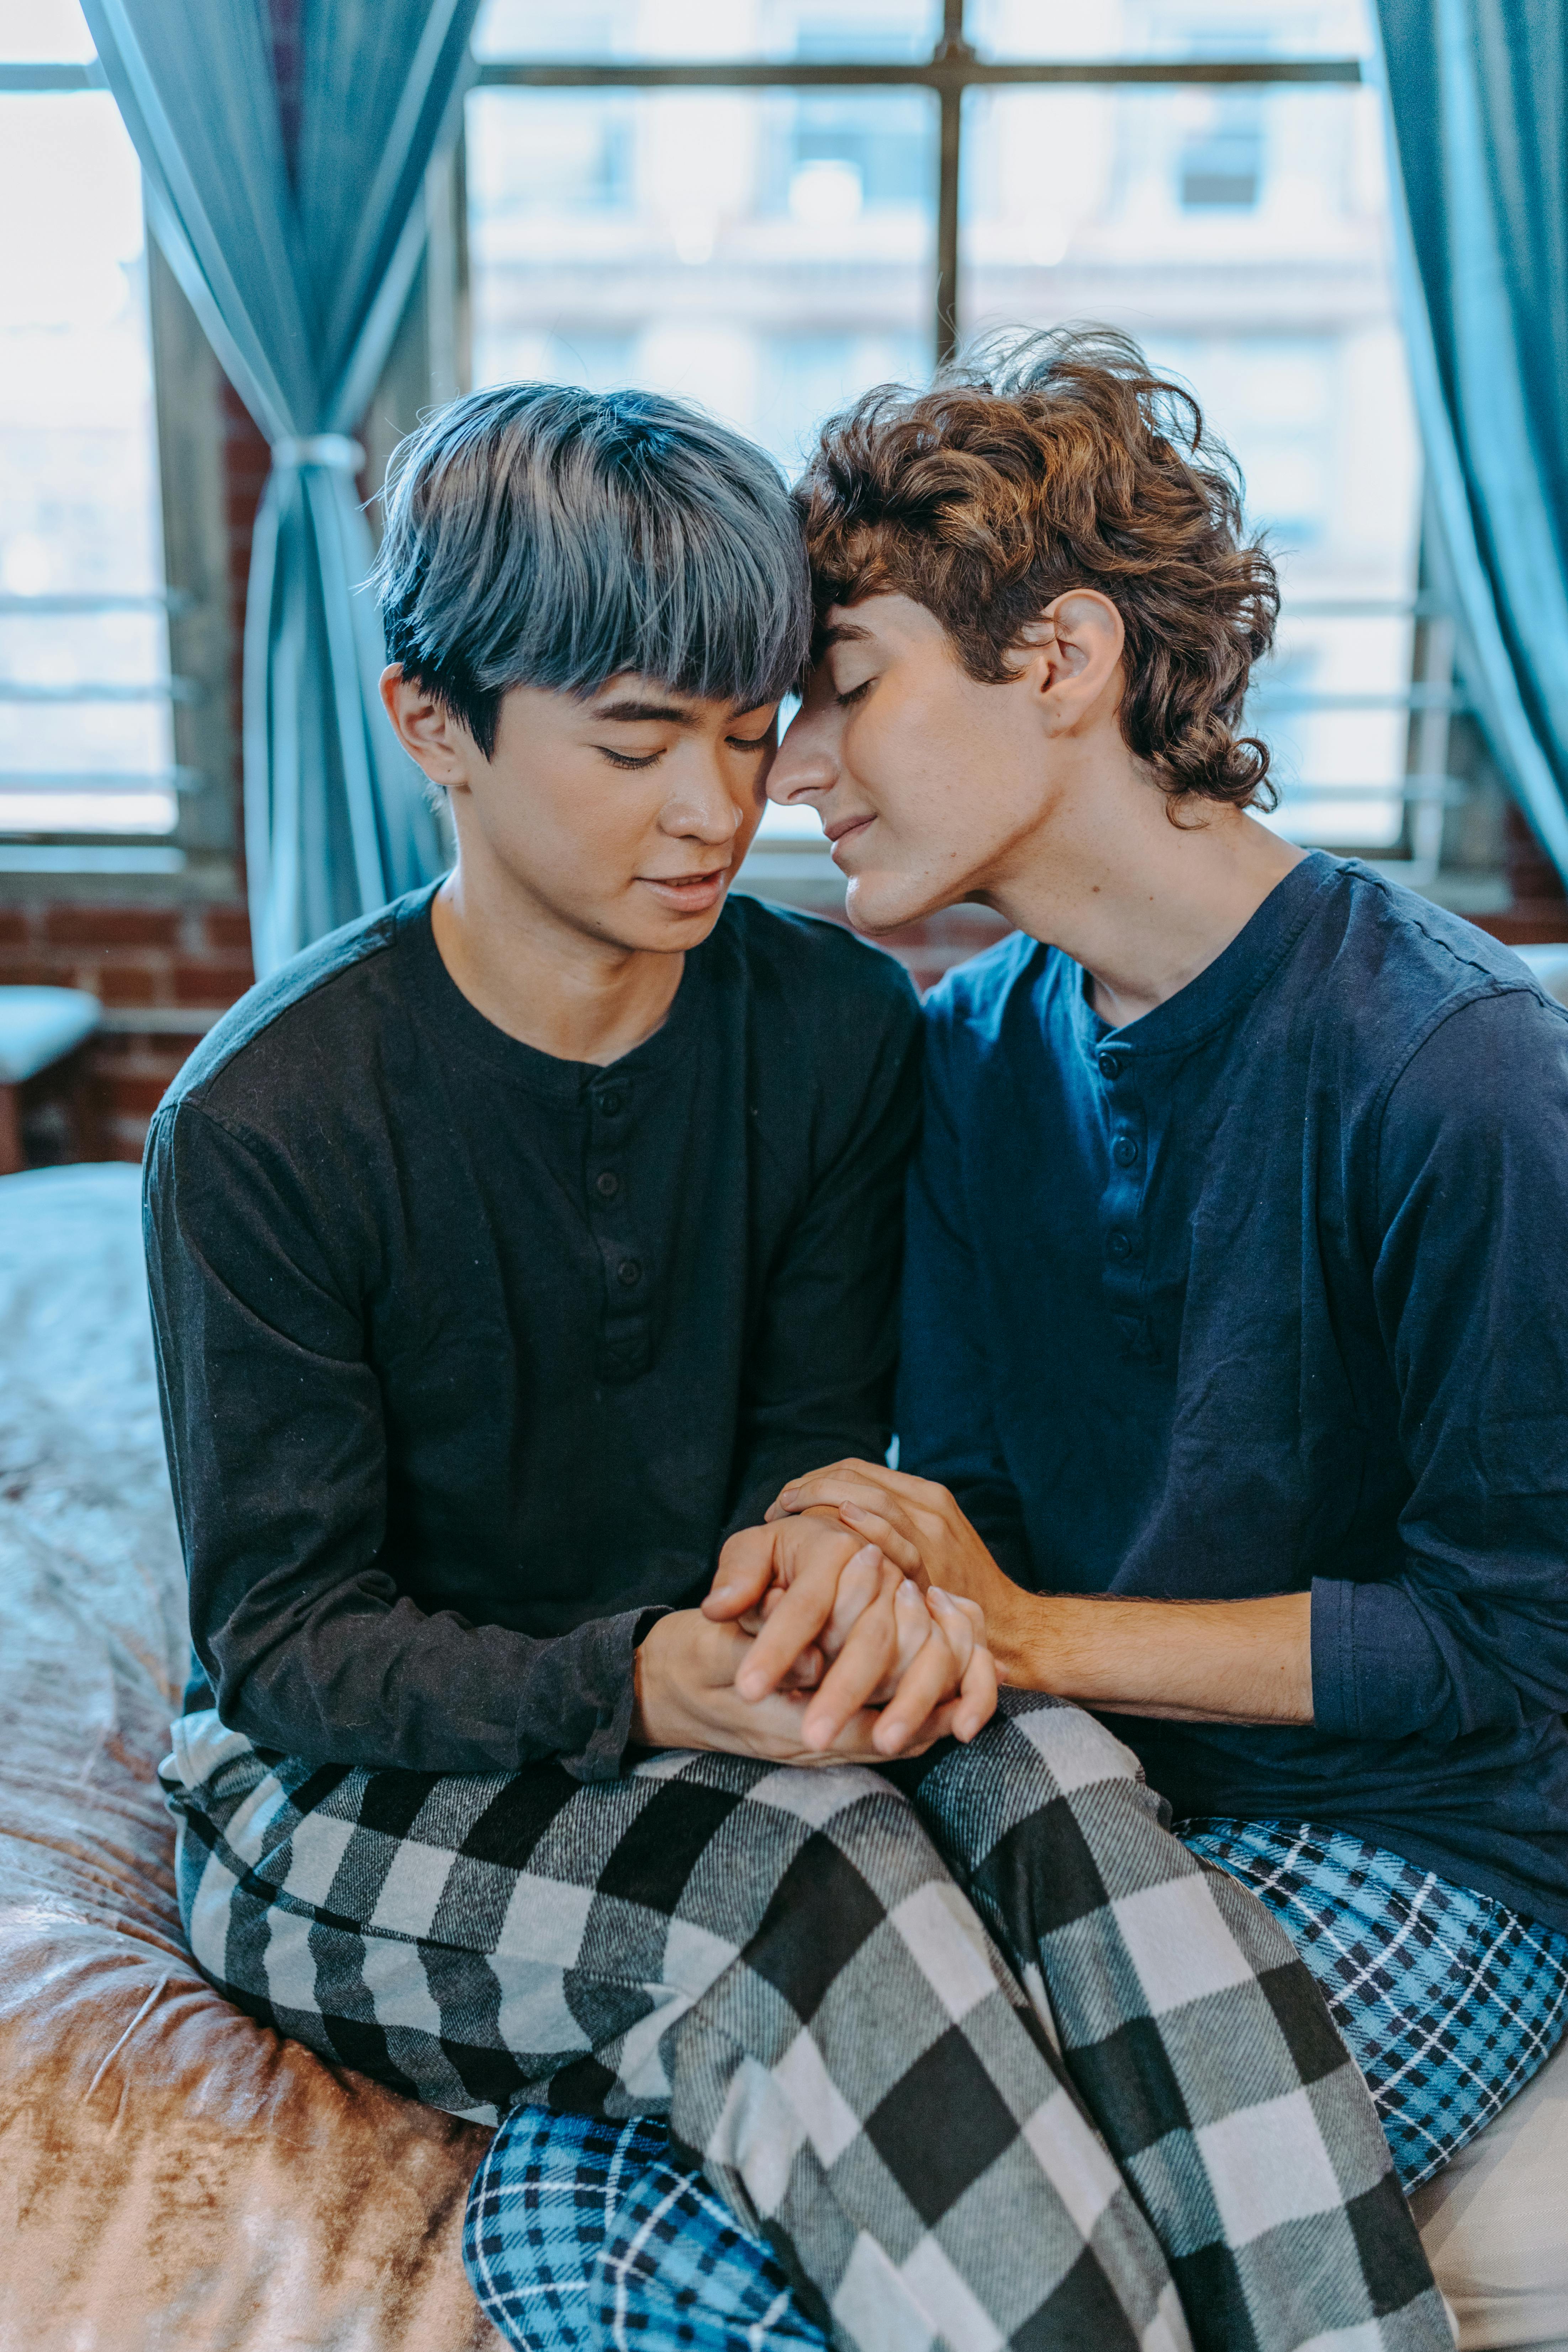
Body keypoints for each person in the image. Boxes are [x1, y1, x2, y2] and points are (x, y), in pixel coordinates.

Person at [144, 381, 1445, 2352]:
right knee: (795, 1881)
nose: (714, 813)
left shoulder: (837, 1030)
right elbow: (287, 1638)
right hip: (345, 1773)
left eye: (752, 739)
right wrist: (633, 1674)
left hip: (716, 1669)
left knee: (1066, 1788)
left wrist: (828, 1563)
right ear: (435, 725)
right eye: (634, 745)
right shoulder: (264, 1121)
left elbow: (811, 1447)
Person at [764, 325, 1568, 2208]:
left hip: (1420, 1844)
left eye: (842, 689)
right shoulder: (964, 1055)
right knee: (573, 2189)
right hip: (1086, 1797)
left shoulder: (1455, 1071)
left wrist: (1025, 1630)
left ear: (1056, 658)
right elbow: (967, 1492)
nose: (788, 769)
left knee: (954, 2205)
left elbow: (1506, 1652)